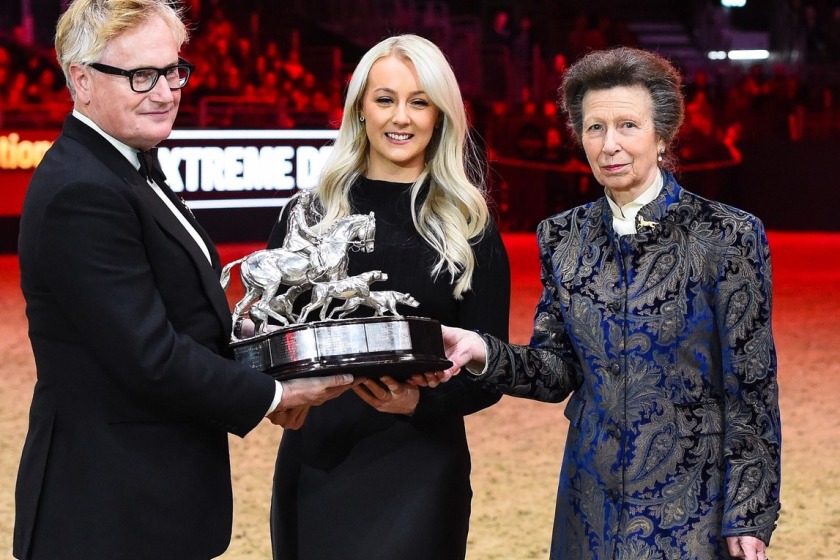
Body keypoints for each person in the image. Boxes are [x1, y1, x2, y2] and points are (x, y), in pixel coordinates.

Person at [13, 1, 354, 558]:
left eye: (173, 70)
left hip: (147, 497)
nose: (167, 90)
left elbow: (188, 319)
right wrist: (274, 394)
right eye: (141, 75)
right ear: (81, 81)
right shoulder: (84, 190)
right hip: (107, 509)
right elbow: (151, 356)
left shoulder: (126, 165)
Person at [431, 47, 781, 560]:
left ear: (662, 136)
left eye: (627, 126)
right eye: (594, 128)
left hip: (692, 506)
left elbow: (750, 387)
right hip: (589, 499)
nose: (609, 145)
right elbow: (557, 370)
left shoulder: (728, 236)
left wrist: (748, 513)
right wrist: (483, 350)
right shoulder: (561, 237)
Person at [266, 34, 511, 560]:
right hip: (317, 462)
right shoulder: (306, 216)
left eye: (419, 101)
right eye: (385, 99)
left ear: (440, 115)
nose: (401, 117)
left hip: (422, 471)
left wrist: (420, 401)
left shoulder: (469, 225)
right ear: (359, 110)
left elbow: (492, 369)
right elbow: (268, 340)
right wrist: (276, 399)